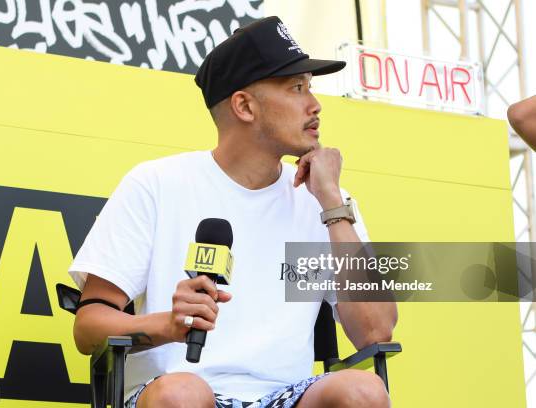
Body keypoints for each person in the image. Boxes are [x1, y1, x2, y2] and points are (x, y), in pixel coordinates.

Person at [68, 16, 397, 408]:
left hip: (284, 396)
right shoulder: (156, 184)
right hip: (176, 388)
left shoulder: (326, 202)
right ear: (244, 106)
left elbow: (376, 334)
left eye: (311, 87)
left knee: (363, 391)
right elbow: (88, 328)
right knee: (183, 392)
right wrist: (167, 325)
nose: (315, 104)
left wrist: (332, 204)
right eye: (296, 88)